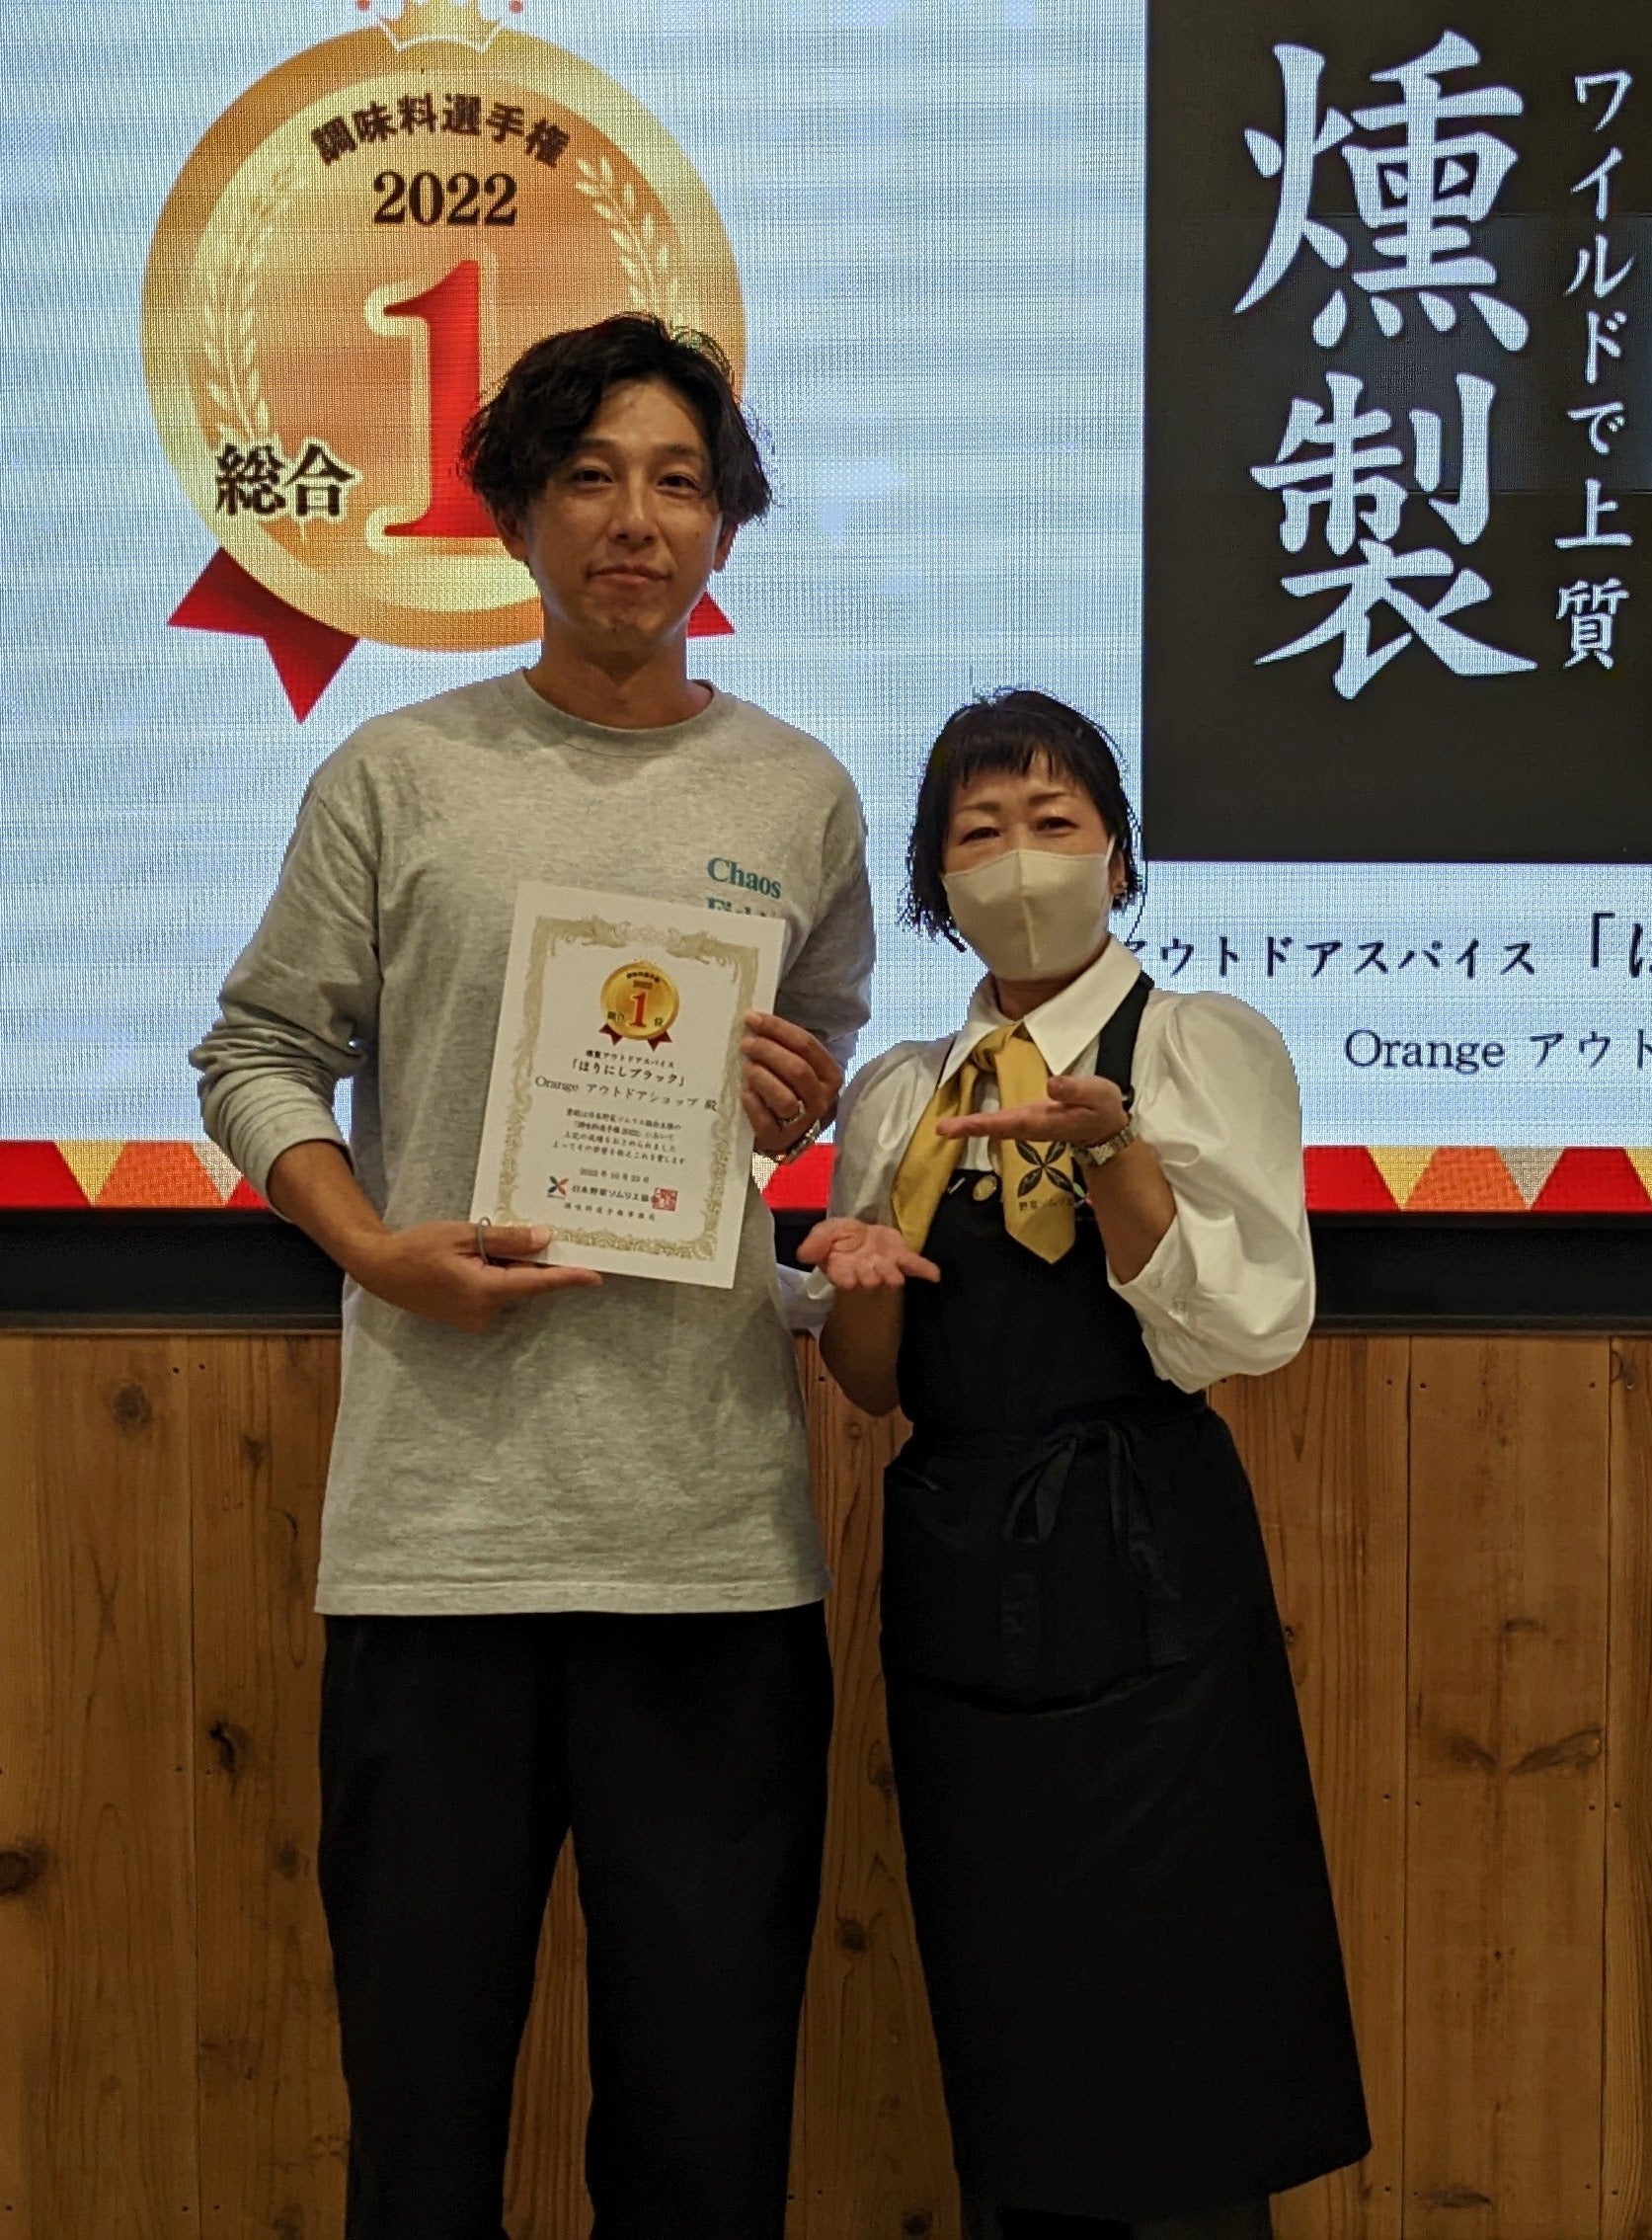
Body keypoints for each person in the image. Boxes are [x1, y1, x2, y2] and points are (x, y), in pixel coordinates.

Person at [190, 315, 874, 2239]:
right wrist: (372, 1248)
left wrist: (794, 1098)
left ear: (724, 523)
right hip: (441, 1550)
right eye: (589, 476)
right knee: (420, 2137)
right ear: (514, 514)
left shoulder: (799, 797)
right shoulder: (397, 777)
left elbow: (806, 1065)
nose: (634, 520)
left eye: (678, 481)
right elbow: (255, 1055)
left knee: (705, 2144)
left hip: (709, 1554)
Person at [801, 690, 1371, 2238]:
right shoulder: (903, 1092)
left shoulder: (1194, 1046)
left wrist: (1113, 1152)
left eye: (1053, 822)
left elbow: (1242, 1333)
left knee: (1178, 1993)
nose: (1019, 858)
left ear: (1118, 859)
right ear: (935, 884)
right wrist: (858, 1287)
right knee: (1007, 1997)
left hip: (1143, 1546)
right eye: (977, 832)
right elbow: (872, 1386)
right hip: (958, 1555)